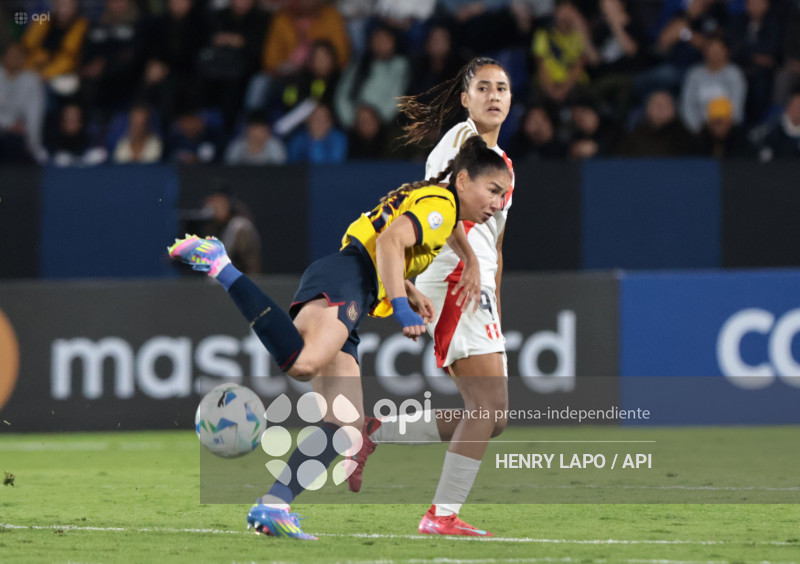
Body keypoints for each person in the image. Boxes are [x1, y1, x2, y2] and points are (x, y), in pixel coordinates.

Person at [168, 134, 511, 540]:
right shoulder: (441, 205)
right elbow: (388, 240)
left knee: (346, 427)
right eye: (493, 190)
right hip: (346, 277)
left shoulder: (440, 201)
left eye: (504, 195)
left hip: (356, 285)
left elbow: (411, 234)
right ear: (464, 180)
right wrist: (401, 305)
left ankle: (274, 505)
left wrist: (411, 283)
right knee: (303, 362)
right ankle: (221, 264)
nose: (498, 203)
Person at [346, 57, 515, 537]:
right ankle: (440, 516)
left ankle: (374, 432)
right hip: (453, 277)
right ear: (465, 99)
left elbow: (496, 243)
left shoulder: (502, 165)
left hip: (476, 285)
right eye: (483, 88)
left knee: (493, 416)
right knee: (487, 408)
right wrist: (473, 264)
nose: (494, 96)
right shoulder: (460, 143)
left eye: (502, 87)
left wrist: (494, 294)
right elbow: (436, 201)